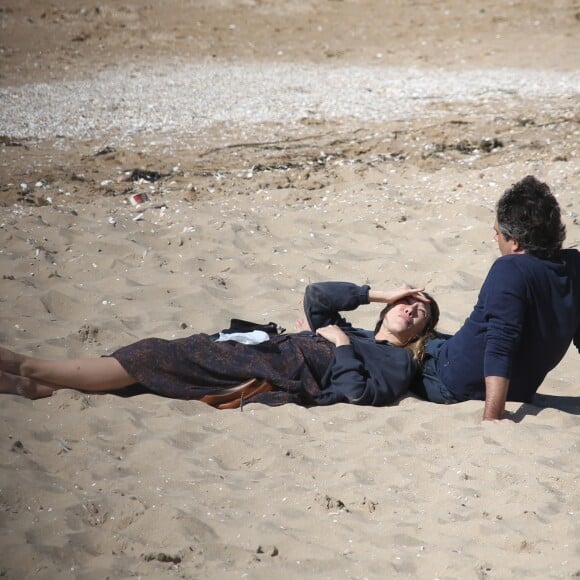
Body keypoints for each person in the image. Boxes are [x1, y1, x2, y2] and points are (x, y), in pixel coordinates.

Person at [0, 281, 439, 409]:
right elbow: (317, 296)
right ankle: (47, 386)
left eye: (420, 311)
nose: (411, 309)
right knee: (164, 369)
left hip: (281, 369)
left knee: (158, 356)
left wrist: (340, 343)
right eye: (407, 302)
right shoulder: (363, 331)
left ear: (420, 333)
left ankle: (30, 367)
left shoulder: (398, 363)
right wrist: (377, 294)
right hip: (266, 351)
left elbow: (358, 392)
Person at [412, 175, 580, 421]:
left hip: (451, 381)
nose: (495, 239)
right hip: (514, 385)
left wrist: (492, 417)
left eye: (498, 233)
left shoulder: (510, 268)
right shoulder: (573, 265)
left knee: (384, 346)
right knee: (431, 339)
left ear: (515, 242)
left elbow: (500, 346)